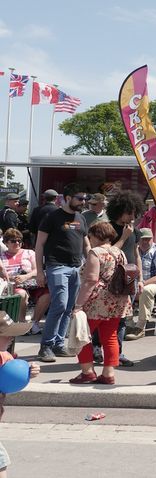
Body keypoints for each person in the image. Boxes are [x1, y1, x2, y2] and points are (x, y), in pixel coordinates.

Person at [69, 222, 131, 385]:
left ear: (97, 236)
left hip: (98, 300)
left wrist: (78, 305)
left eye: (91, 236)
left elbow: (91, 280)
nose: (89, 238)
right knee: (110, 336)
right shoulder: (119, 252)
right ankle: (108, 374)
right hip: (118, 298)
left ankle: (87, 372)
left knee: (82, 334)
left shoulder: (95, 252)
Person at [34, 184, 90, 363]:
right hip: (56, 266)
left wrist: (91, 264)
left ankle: (58, 344)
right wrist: (39, 271)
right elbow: (39, 245)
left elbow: (86, 245)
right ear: (67, 198)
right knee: (59, 304)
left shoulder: (81, 218)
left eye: (84, 199)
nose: (83, 202)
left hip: (76, 268)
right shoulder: (52, 217)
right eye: (80, 198)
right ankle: (46, 346)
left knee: (68, 308)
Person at [104, 191, 145, 367]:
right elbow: (107, 253)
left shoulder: (134, 231)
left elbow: (136, 254)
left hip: (128, 278)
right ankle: (99, 347)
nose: (132, 216)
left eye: (135, 212)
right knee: (105, 316)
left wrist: (141, 278)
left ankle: (117, 352)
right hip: (110, 277)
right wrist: (124, 237)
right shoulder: (108, 229)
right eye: (129, 212)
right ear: (119, 211)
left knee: (122, 318)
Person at [0, 311, 42, 478]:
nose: (12, 338)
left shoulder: (5, 356)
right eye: (7, 335)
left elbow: (14, 369)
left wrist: (29, 369)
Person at [123, 228, 156, 340]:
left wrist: (143, 283)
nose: (145, 242)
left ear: (152, 239)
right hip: (137, 283)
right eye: (143, 239)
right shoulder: (135, 251)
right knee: (124, 288)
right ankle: (129, 324)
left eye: (148, 239)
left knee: (146, 290)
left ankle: (140, 327)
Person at [1, 229, 44, 327]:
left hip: (31, 283)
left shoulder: (30, 253)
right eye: (13, 241)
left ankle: (34, 323)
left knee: (47, 294)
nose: (17, 243)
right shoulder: (1, 256)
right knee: (21, 293)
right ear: (6, 243)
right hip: (11, 286)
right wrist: (9, 279)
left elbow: (37, 270)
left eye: (19, 240)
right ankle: (21, 323)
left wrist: (26, 276)